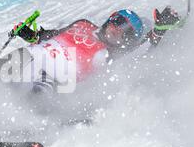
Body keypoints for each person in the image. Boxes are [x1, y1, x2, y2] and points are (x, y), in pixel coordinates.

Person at [9, 6, 182, 93]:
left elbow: (141, 52)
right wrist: (30, 35)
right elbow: (49, 35)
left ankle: (19, 124)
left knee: (39, 91)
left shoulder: (110, 54)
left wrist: (159, 30)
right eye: (118, 23)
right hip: (32, 57)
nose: (117, 30)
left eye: (125, 33)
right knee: (6, 71)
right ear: (111, 19)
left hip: (53, 76)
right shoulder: (83, 24)